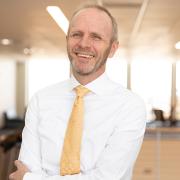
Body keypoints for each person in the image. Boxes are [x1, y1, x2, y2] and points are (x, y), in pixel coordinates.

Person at [9, 4, 146, 180]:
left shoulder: (130, 106)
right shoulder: (41, 100)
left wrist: (30, 179)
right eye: (77, 34)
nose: (83, 44)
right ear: (67, 39)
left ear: (112, 49)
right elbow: (27, 166)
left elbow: (107, 177)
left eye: (96, 37)